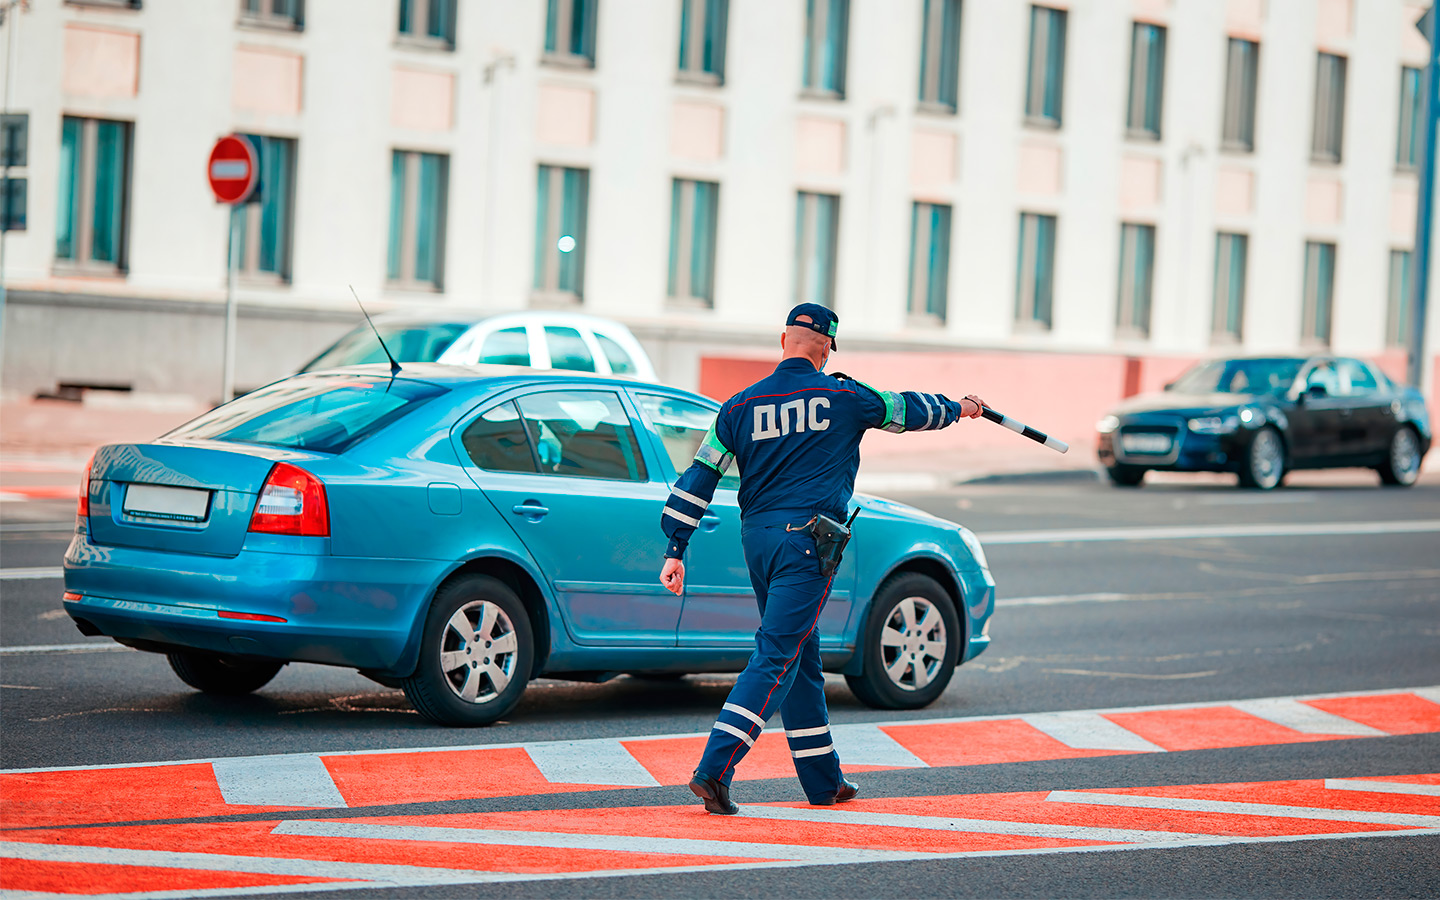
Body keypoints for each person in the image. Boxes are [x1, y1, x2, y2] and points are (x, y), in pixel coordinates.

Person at [658, 302, 988, 815]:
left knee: (800, 654)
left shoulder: (739, 406)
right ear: (828, 346)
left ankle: (823, 781)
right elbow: (907, 410)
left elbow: (698, 476)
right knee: (776, 655)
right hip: (807, 544)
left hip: (759, 542)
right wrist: (960, 408)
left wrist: (675, 545)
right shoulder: (844, 394)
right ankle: (715, 769)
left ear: (783, 339)